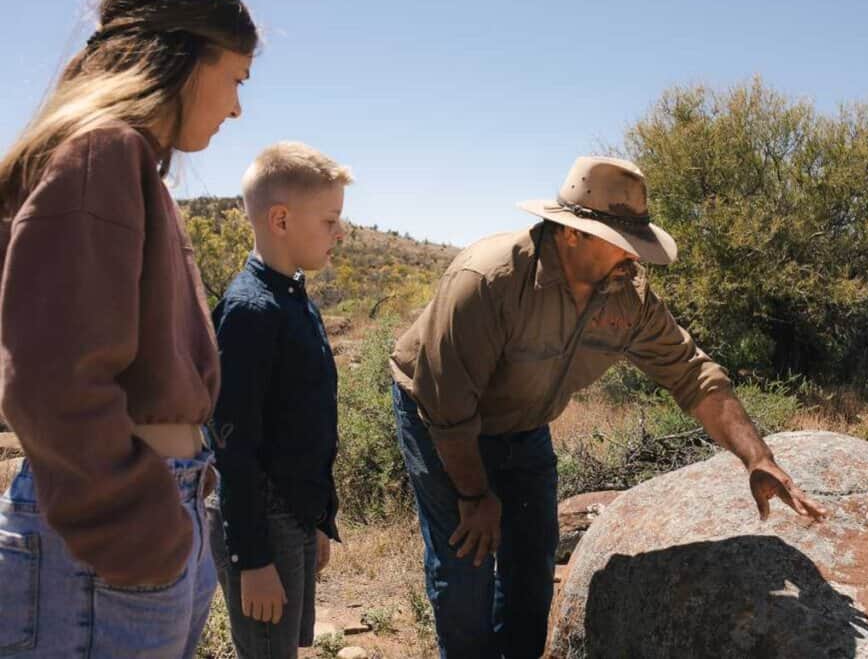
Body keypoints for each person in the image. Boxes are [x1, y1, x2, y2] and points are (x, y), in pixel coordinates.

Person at [390, 156, 829, 658]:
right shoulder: (489, 279)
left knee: (531, 568)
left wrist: (757, 456)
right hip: (440, 421)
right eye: (622, 244)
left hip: (524, 426)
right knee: (464, 567)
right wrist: (474, 494)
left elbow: (692, 374)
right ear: (571, 234)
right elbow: (447, 405)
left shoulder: (630, 298)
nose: (634, 258)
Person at [0, 0, 257, 656]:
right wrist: (137, 526)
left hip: (140, 523)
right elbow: (53, 380)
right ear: (183, 59)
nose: (237, 107)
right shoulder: (101, 153)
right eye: (236, 78)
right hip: (109, 539)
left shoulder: (121, 160)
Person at [205, 142, 351, 658]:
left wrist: (315, 522)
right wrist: (252, 559)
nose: (341, 232)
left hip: (288, 518)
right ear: (281, 219)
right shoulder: (250, 310)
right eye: (330, 219)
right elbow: (231, 445)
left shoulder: (291, 296)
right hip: (260, 524)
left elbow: (301, 427)